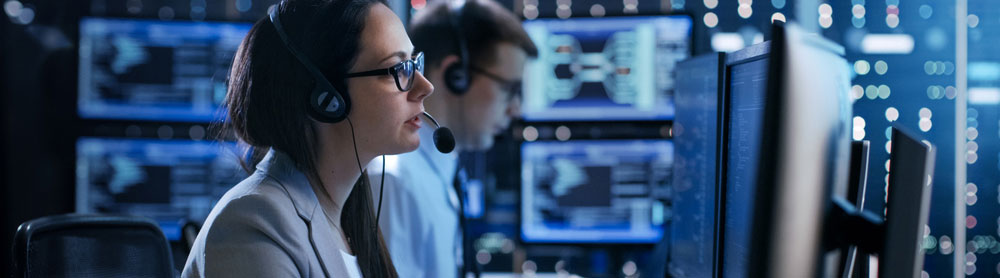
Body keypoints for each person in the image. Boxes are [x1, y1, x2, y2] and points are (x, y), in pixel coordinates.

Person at [182, 0, 434, 277]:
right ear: (327, 98)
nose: (425, 86)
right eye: (399, 69)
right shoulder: (254, 225)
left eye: (414, 63)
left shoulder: (350, 220)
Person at [368, 1, 538, 277]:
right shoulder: (396, 184)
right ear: (456, 75)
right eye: (509, 89)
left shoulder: (437, 174)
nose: (515, 108)